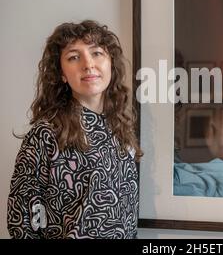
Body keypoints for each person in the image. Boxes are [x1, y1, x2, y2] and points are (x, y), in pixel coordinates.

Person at [7, 20, 142, 239]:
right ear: (61, 73)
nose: (88, 64)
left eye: (97, 53)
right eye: (74, 57)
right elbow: (21, 221)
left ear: (111, 63)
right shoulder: (46, 133)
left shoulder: (120, 126)